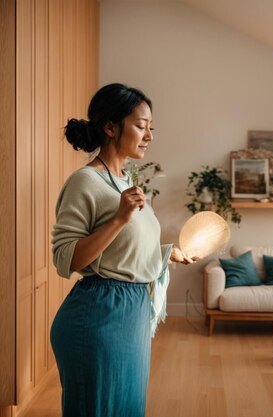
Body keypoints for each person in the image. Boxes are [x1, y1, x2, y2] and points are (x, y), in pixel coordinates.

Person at [50, 83, 195, 417]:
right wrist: (119, 218)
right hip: (98, 316)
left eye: (151, 128)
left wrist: (165, 254)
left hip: (131, 314)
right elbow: (67, 258)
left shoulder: (126, 182)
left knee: (127, 408)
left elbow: (123, 248)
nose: (149, 136)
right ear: (111, 127)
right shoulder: (85, 181)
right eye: (141, 126)